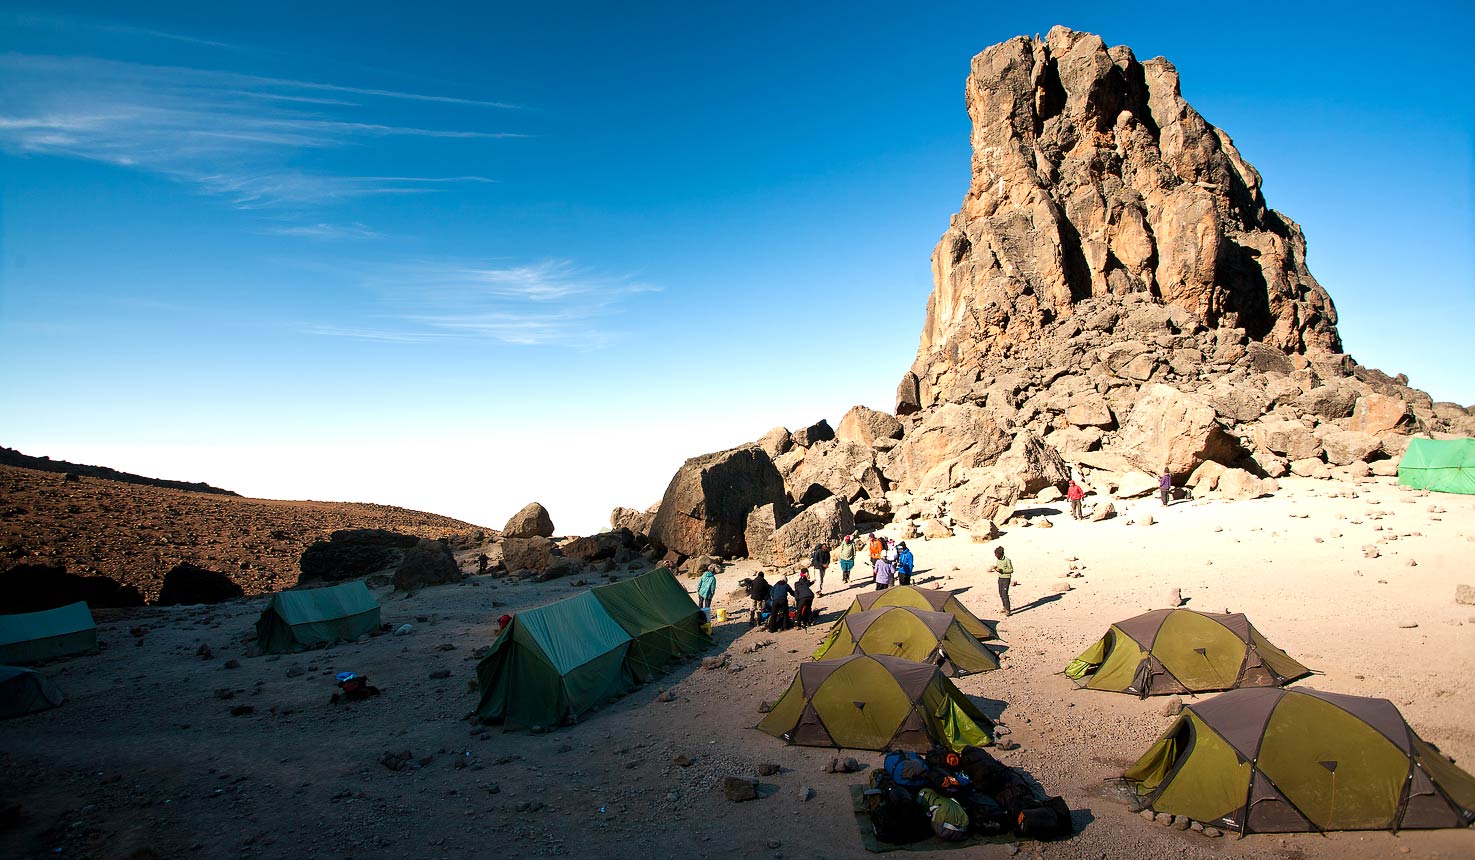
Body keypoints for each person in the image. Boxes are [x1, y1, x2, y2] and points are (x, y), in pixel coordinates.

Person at [992, 546, 1014, 616]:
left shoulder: (1007, 560)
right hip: (1000, 578)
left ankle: (1008, 609)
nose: (995, 556)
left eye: (996, 554)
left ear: (1000, 554)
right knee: (1001, 593)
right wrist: (996, 568)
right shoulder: (998, 560)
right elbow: (999, 568)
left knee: (1004, 594)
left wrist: (1002, 571)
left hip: (1006, 579)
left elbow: (1011, 570)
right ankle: (1004, 607)